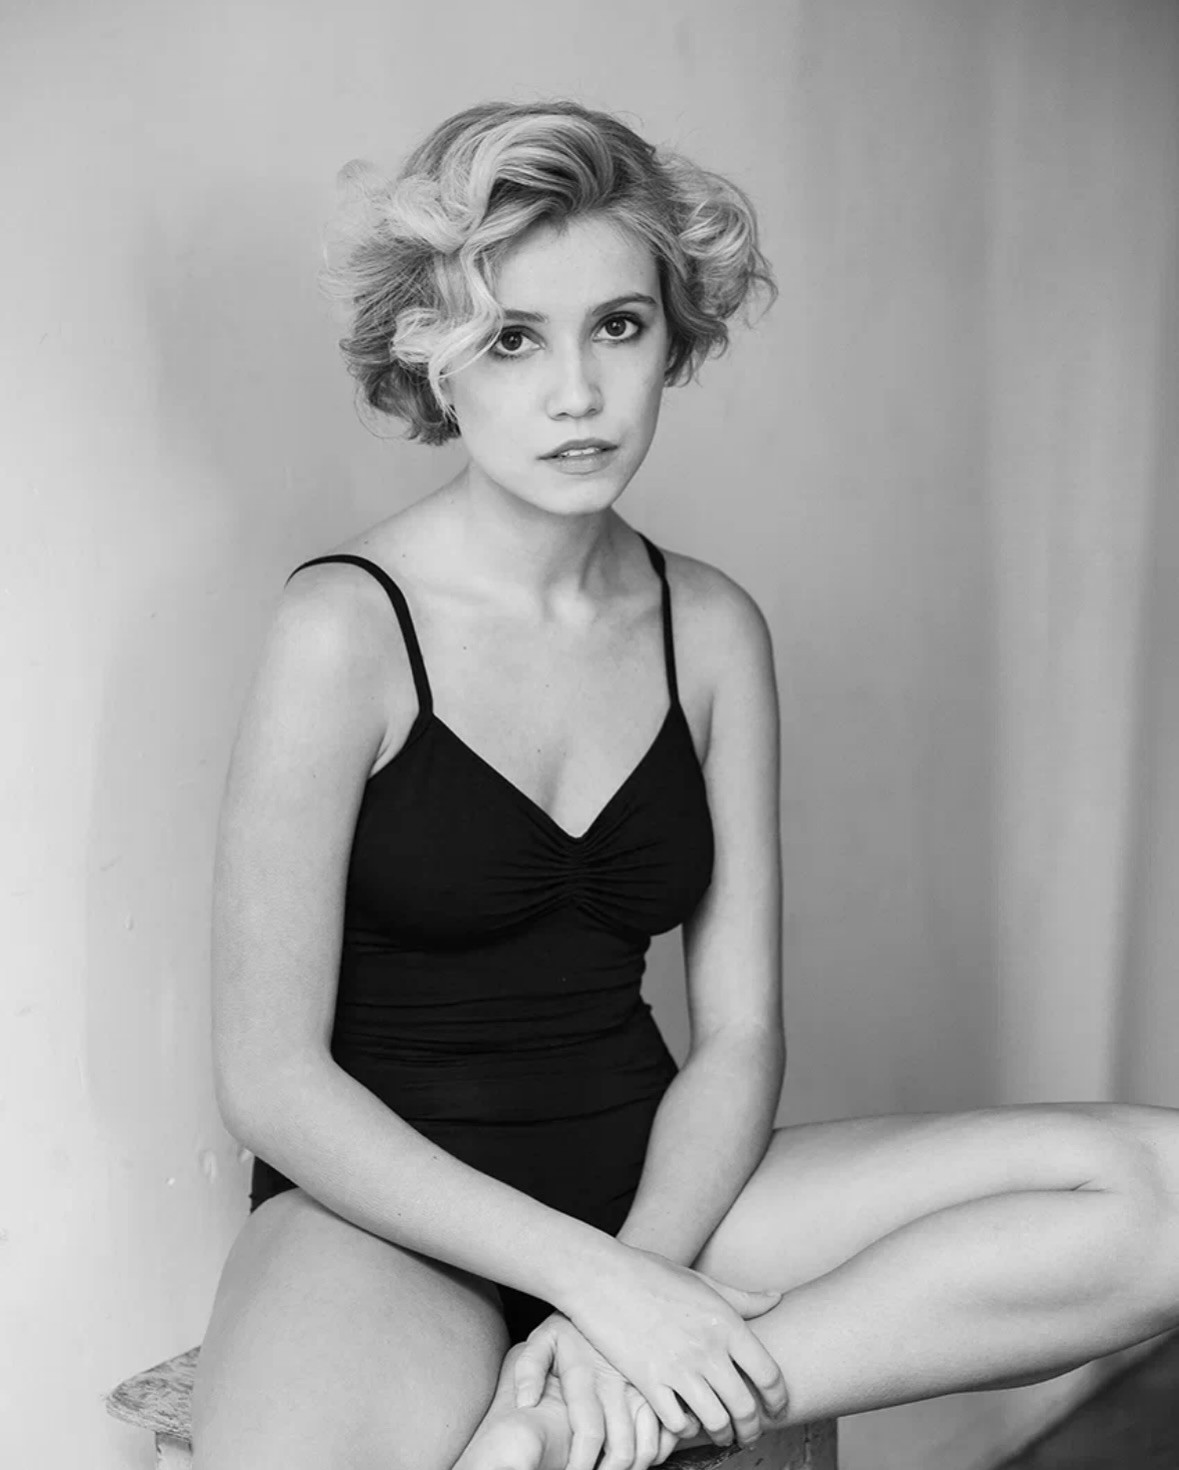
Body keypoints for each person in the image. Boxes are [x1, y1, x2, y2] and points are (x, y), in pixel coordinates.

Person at [191, 99, 1179, 1470]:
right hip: (386, 1217)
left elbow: (741, 1035)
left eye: (619, 325)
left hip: (658, 1179)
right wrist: (592, 1279)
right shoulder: (343, 627)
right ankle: (608, 1394)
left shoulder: (710, 628)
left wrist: (641, 1282)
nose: (578, 392)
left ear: (676, 337)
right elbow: (271, 1079)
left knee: (1160, 1194)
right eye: (514, 338)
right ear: (435, 357)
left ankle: (608, 1414)